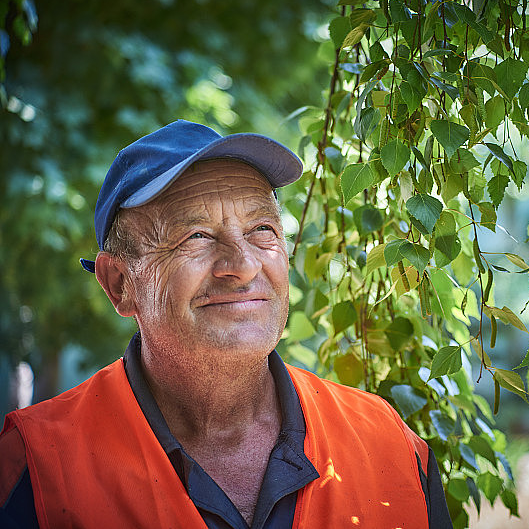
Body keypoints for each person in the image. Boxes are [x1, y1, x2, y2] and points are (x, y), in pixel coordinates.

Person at [0, 120, 453, 529]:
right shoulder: (37, 466)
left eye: (261, 229)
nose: (243, 265)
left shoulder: (389, 444)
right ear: (120, 284)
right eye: (195, 235)